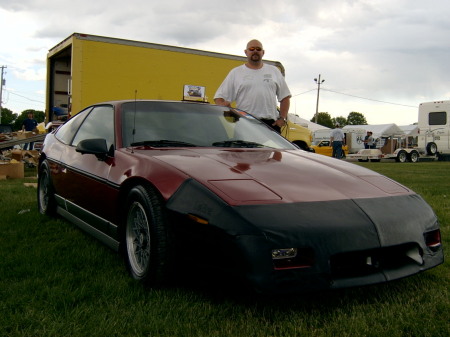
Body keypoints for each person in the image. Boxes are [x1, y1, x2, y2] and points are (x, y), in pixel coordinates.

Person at [214, 39, 291, 133]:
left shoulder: (274, 71)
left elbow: (285, 97)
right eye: (251, 49)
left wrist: (282, 118)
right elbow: (219, 97)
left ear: (263, 52)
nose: (255, 51)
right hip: (244, 123)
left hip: (270, 125)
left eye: (258, 49)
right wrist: (226, 109)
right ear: (246, 52)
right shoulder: (236, 73)